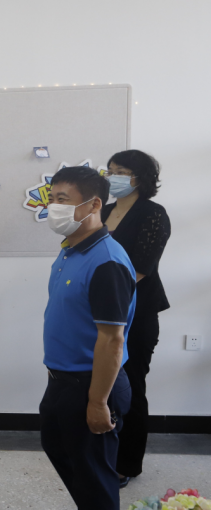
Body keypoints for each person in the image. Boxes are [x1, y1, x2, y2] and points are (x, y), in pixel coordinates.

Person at [39, 166, 135, 510]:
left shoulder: (106, 262)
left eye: (63, 199)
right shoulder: (71, 249)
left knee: (94, 477)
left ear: (94, 205)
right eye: (52, 199)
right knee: (61, 451)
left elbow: (112, 340)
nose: (53, 207)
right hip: (62, 380)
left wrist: (97, 402)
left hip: (91, 385)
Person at [102, 150, 171, 487]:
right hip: (100, 312)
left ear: (140, 177)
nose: (113, 177)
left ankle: (126, 463)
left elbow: (142, 266)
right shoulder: (102, 211)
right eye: (110, 170)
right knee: (101, 386)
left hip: (136, 312)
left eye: (121, 171)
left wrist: (103, 292)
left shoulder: (153, 213)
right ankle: (102, 453)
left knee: (130, 388)